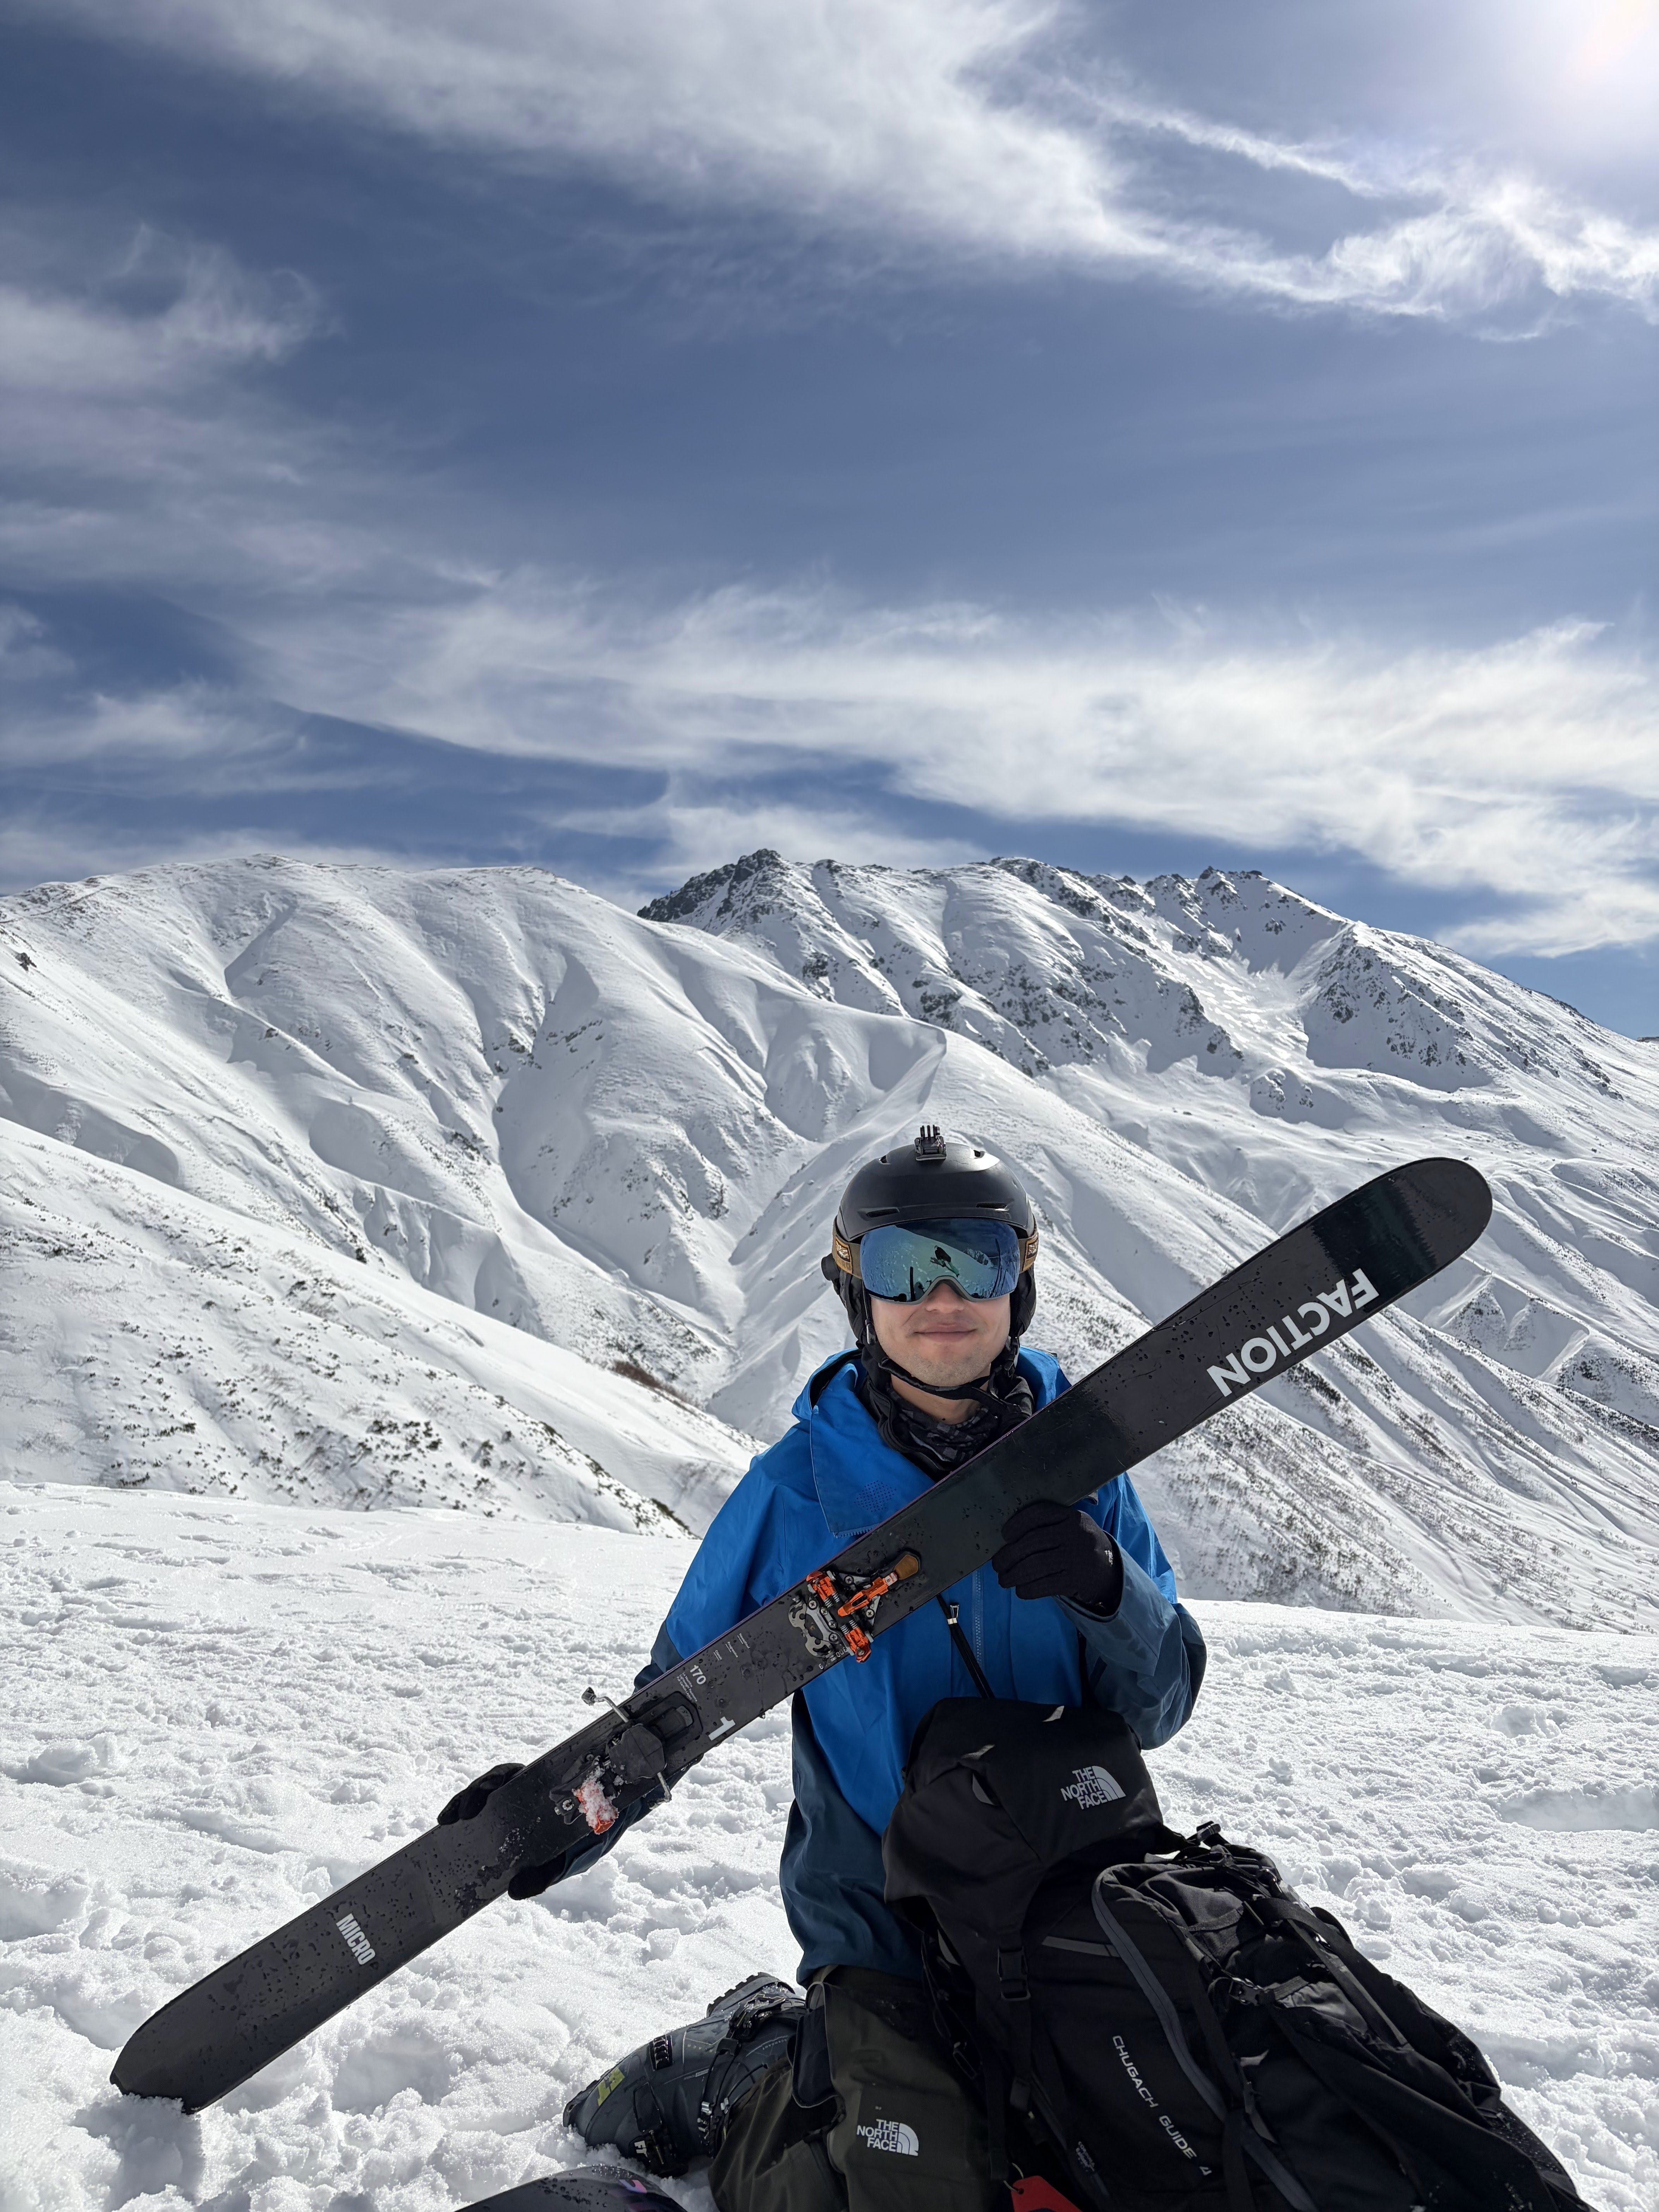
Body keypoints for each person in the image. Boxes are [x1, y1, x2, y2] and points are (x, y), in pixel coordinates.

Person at [460, 1127, 1207, 2211]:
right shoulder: (796, 1490)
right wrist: (557, 1820)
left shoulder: (1085, 1470)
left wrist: (1110, 1593)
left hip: (1074, 1893)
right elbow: (682, 1701)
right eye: (908, 1266)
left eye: (976, 1261)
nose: (941, 1296)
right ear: (858, 1292)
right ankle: (756, 2066)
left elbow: (1160, 1706)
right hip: (883, 1923)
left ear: (1021, 1284)